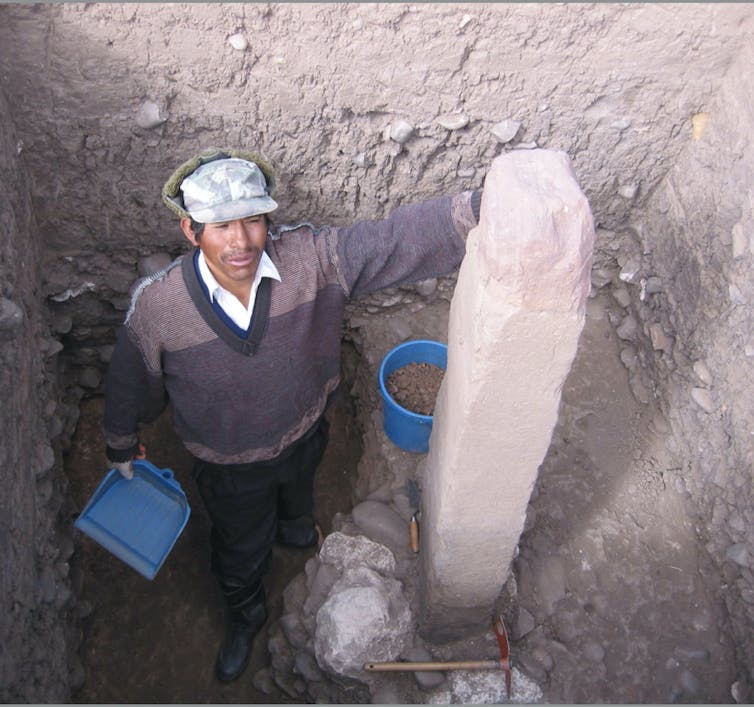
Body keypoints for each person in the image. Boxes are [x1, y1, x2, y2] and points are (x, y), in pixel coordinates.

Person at [102, 147, 482, 683]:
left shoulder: (312, 261)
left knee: (299, 488)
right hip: (230, 465)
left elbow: (393, 239)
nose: (240, 242)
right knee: (239, 547)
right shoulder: (158, 310)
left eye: (253, 220)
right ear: (190, 230)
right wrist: (121, 441)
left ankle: (297, 525)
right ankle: (246, 615)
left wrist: (479, 211)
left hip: (305, 429)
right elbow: (130, 383)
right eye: (220, 226)